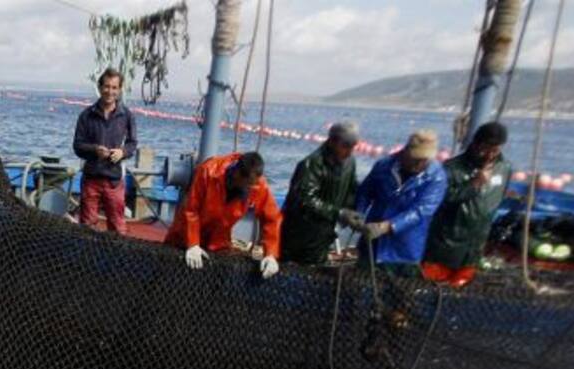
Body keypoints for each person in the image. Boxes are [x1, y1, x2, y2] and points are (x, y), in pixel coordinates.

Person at [163, 151, 282, 279]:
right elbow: (192, 209)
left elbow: (271, 218)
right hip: (183, 237)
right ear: (237, 174)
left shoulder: (257, 185)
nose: (250, 188)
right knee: (172, 275)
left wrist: (270, 254)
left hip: (217, 243)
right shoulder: (208, 171)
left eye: (252, 185)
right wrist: (193, 244)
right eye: (247, 184)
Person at [422, 121, 512, 287]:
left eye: (495, 150)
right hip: (445, 244)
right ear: (476, 144)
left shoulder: (504, 168)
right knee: (429, 287)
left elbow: (497, 199)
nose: (489, 155)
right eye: (485, 149)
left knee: (461, 290)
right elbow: (439, 200)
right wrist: (473, 184)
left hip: (475, 246)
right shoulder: (451, 169)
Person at [354, 129, 448, 275]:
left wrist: (389, 226)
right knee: (361, 282)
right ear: (406, 151)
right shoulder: (384, 166)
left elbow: (422, 210)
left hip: (405, 248)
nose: (419, 164)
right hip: (373, 241)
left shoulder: (436, 177)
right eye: (416, 159)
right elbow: (365, 192)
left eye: (424, 160)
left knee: (401, 292)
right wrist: (358, 213)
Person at [280, 121, 362, 266]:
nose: (349, 151)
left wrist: (354, 212)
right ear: (332, 141)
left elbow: (352, 189)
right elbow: (305, 200)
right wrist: (339, 213)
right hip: (299, 234)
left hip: (324, 234)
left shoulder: (350, 162)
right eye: (346, 146)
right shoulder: (310, 164)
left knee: (317, 269)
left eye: (352, 147)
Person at [72, 68, 137, 235]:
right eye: (107, 87)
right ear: (100, 88)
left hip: (114, 181)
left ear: (120, 89)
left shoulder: (127, 116)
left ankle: (117, 259)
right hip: (91, 180)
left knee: (117, 227)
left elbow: (132, 144)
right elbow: (78, 146)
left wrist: (122, 153)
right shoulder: (86, 115)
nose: (110, 91)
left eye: (114, 87)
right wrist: (95, 150)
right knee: (87, 228)